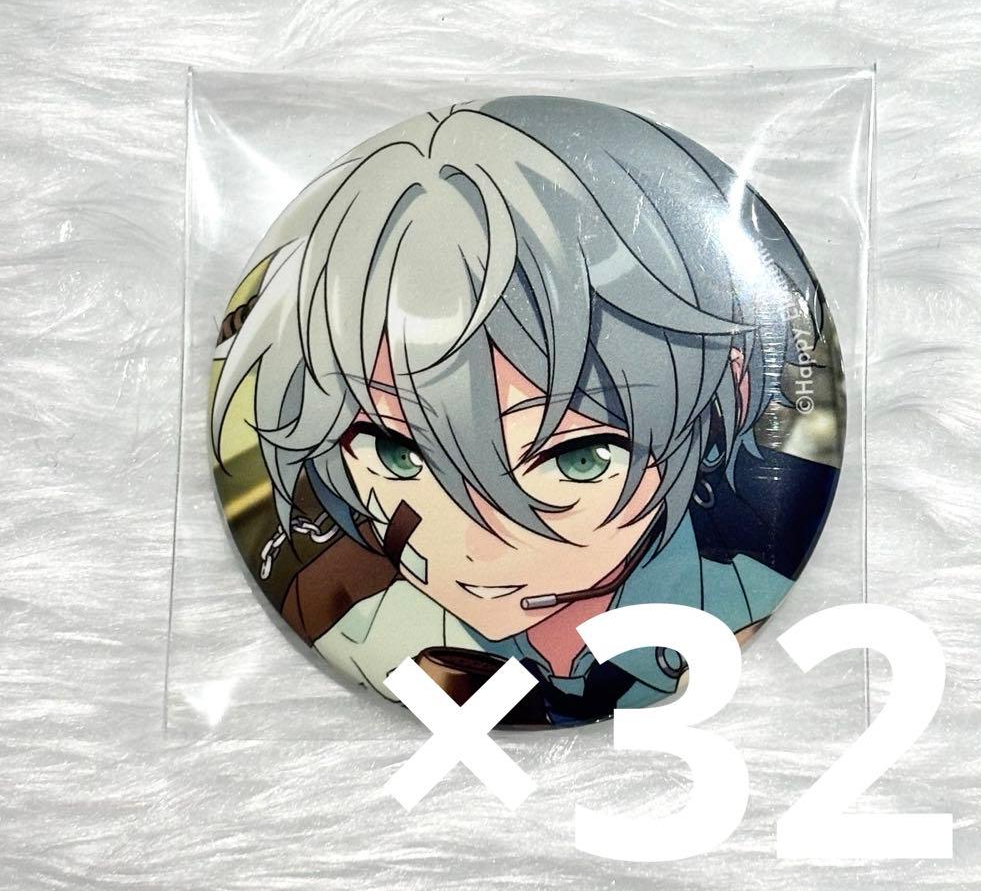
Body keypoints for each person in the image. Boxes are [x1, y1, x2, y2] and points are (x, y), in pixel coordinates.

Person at [211, 95, 836, 726]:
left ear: (728, 393)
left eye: (577, 460)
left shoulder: (748, 598)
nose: (478, 557)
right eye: (399, 454)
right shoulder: (351, 622)